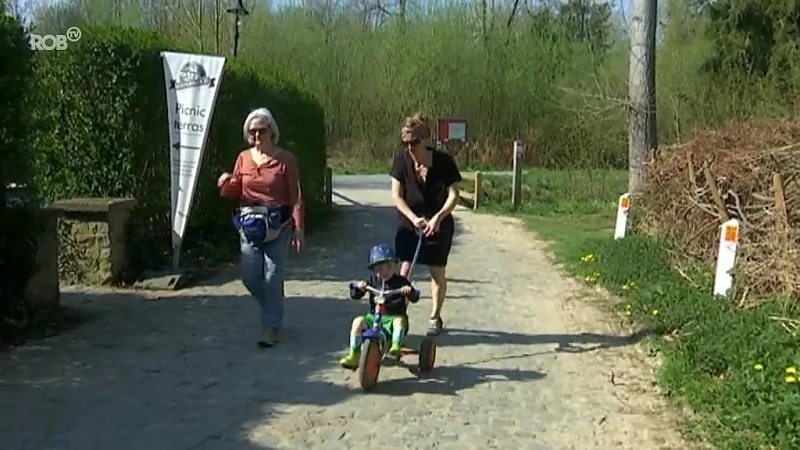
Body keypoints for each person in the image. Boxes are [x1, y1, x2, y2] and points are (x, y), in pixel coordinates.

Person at [217, 107, 305, 348]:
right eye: (252, 131)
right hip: (250, 225)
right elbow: (234, 191)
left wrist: (299, 228)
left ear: (271, 132)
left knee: (273, 276)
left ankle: (270, 328)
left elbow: (295, 196)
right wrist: (225, 183)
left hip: (279, 224)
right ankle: (274, 307)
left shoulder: (286, 160)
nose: (257, 136)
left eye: (261, 131)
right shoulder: (243, 158)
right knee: (250, 277)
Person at [390, 113, 462, 337]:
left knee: (436, 271)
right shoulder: (401, 161)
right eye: (406, 143)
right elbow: (396, 196)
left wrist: (438, 217)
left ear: (425, 140)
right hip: (411, 221)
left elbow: (454, 195)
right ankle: (398, 316)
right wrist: (413, 218)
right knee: (403, 270)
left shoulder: (443, 161)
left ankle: (435, 316)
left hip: (438, 222)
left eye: (414, 142)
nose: (410, 147)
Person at [339, 244, 420, 369]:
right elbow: (355, 295)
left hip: (394, 318)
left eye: (388, 266)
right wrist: (359, 287)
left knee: (399, 321)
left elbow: (414, 297)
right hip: (374, 317)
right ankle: (354, 355)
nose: (385, 271)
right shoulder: (371, 281)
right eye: (379, 269)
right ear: (373, 270)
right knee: (358, 321)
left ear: (395, 265)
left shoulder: (401, 281)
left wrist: (409, 291)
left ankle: (395, 346)